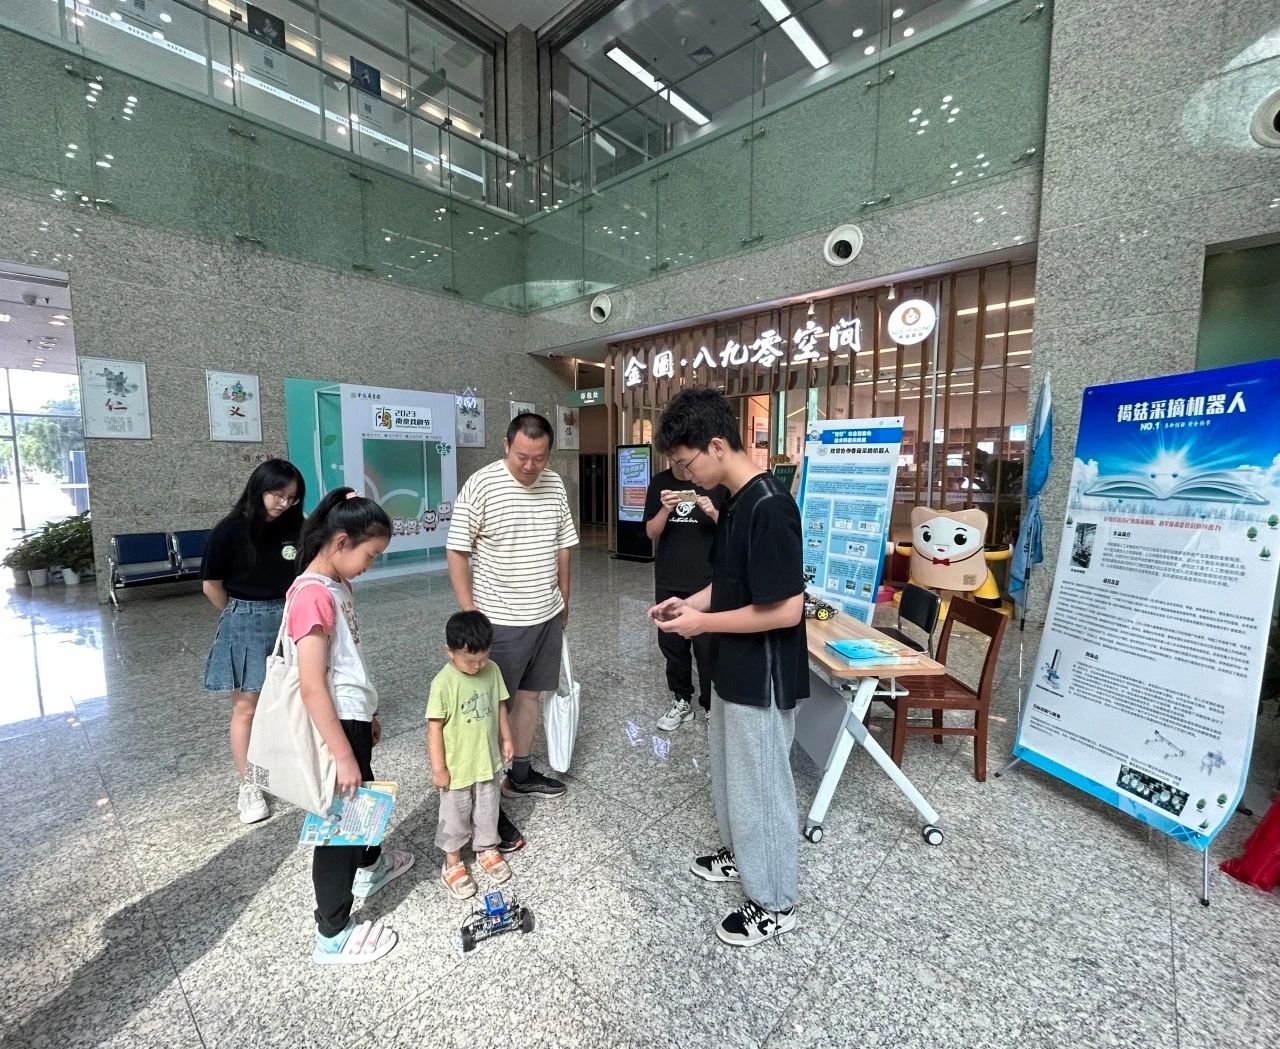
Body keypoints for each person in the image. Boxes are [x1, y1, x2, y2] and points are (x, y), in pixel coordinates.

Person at [648, 389, 808, 947]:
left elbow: (786, 609)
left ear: (717, 445)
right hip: (731, 668)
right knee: (731, 773)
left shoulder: (771, 507)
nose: (686, 475)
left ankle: (776, 903)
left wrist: (704, 624)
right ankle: (743, 854)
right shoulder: (736, 502)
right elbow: (730, 585)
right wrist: (688, 604)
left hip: (762, 675)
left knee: (761, 786)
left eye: (687, 462)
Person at [289, 487, 414, 965]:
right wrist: (343, 753)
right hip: (335, 726)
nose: (371, 564)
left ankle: (369, 866)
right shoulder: (312, 596)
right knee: (337, 829)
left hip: (353, 718)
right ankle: (333, 932)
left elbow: (346, 663)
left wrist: (369, 713)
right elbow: (312, 685)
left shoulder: (336, 585)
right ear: (341, 542)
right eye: (370, 555)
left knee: (362, 802)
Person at [446, 412, 579, 843]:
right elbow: (457, 550)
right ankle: (486, 807)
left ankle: (519, 775)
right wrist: (471, 614)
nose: (530, 466)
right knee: (488, 712)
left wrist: (564, 599)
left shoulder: (554, 484)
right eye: (522, 456)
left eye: (539, 458)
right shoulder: (482, 485)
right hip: (499, 621)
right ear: (506, 445)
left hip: (546, 615)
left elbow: (563, 545)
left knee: (529, 697)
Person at [202, 458, 305, 824]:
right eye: (278, 494)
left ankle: (289, 766)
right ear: (259, 489)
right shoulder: (229, 531)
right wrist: (238, 613)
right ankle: (249, 783)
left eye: (292, 497)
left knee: (294, 698)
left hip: (290, 616)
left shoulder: (297, 528)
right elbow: (211, 586)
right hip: (244, 618)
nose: (284, 503)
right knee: (247, 708)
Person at [427, 610, 515, 899]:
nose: (478, 666)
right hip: (457, 767)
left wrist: (507, 738)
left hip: (487, 760)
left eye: (483, 658)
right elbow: (434, 728)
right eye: (470, 661)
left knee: (488, 809)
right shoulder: (443, 683)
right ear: (450, 652)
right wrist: (439, 769)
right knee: (454, 816)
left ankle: (487, 848)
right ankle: (452, 861)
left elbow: (500, 705)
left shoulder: (493, 670)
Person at [643, 459, 725, 730]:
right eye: (675, 459)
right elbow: (651, 532)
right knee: (672, 646)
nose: (682, 467)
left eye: (685, 460)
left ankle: (711, 706)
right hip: (669, 577)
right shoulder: (660, 482)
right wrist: (665, 509)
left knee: (706, 647)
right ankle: (681, 700)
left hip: (706, 581)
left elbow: (732, 531)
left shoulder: (713, 481)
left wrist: (713, 511)